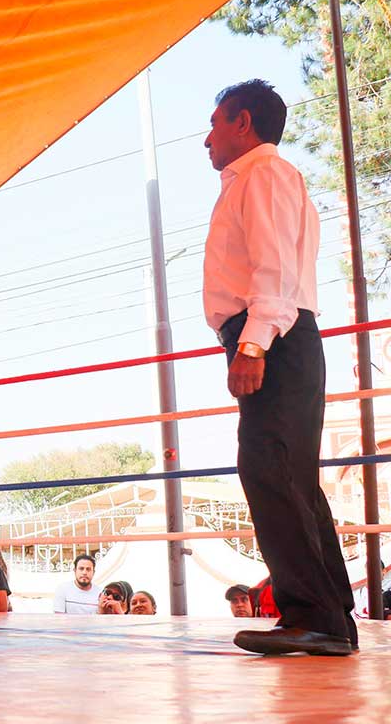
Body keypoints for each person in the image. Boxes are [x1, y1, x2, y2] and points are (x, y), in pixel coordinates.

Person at [202, 80, 354, 657]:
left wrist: (253, 344)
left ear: (243, 123)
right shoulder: (262, 178)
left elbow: (275, 271)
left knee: (272, 471)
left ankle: (313, 617)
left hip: (274, 336)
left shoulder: (263, 175)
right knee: (288, 476)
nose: (207, 138)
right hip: (278, 336)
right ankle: (331, 619)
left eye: (216, 122)